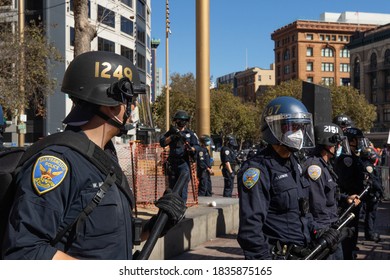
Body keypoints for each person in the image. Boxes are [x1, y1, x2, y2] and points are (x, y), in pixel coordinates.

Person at [2, 51, 186, 260]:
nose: (133, 107)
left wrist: (155, 226)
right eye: (130, 99)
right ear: (109, 105)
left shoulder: (104, 157)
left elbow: (102, 238)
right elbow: (25, 252)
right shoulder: (57, 164)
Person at [237, 96, 340, 260]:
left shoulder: (295, 163)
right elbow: (250, 231)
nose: (298, 133)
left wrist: (318, 231)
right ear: (273, 128)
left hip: (303, 254)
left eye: (301, 127)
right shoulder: (257, 170)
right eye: (292, 127)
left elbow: (302, 212)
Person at [302, 122, 359, 260]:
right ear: (328, 144)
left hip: (331, 228)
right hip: (324, 233)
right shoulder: (314, 168)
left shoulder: (325, 165)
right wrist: (327, 231)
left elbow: (330, 194)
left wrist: (346, 198)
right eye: (336, 144)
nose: (338, 147)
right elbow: (317, 207)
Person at [334, 127, 369, 259]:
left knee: (353, 231)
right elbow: (346, 182)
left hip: (355, 201)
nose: (360, 143)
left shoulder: (354, 157)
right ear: (351, 141)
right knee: (347, 233)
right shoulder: (346, 159)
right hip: (348, 202)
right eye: (357, 140)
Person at [160, 110, 200, 203]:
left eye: (183, 120)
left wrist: (192, 149)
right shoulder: (171, 132)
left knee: (183, 188)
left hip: (184, 163)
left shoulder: (190, 134)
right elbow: (162, 142)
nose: (181, 122)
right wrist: (172, 137)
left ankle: (181, 210)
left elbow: (197, 146)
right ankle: (172, 209)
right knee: (172, 188)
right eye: (179, 120)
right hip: (172, 164)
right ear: (175, 121)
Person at [359, 147, 383, 242]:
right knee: (371, 214)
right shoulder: (368, 166)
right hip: (371, 194)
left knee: (370, 214)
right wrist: (380, 191)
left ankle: (369, 233)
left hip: (370, 193)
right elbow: (374, 180)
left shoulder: (365, 164)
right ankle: (370, 234)